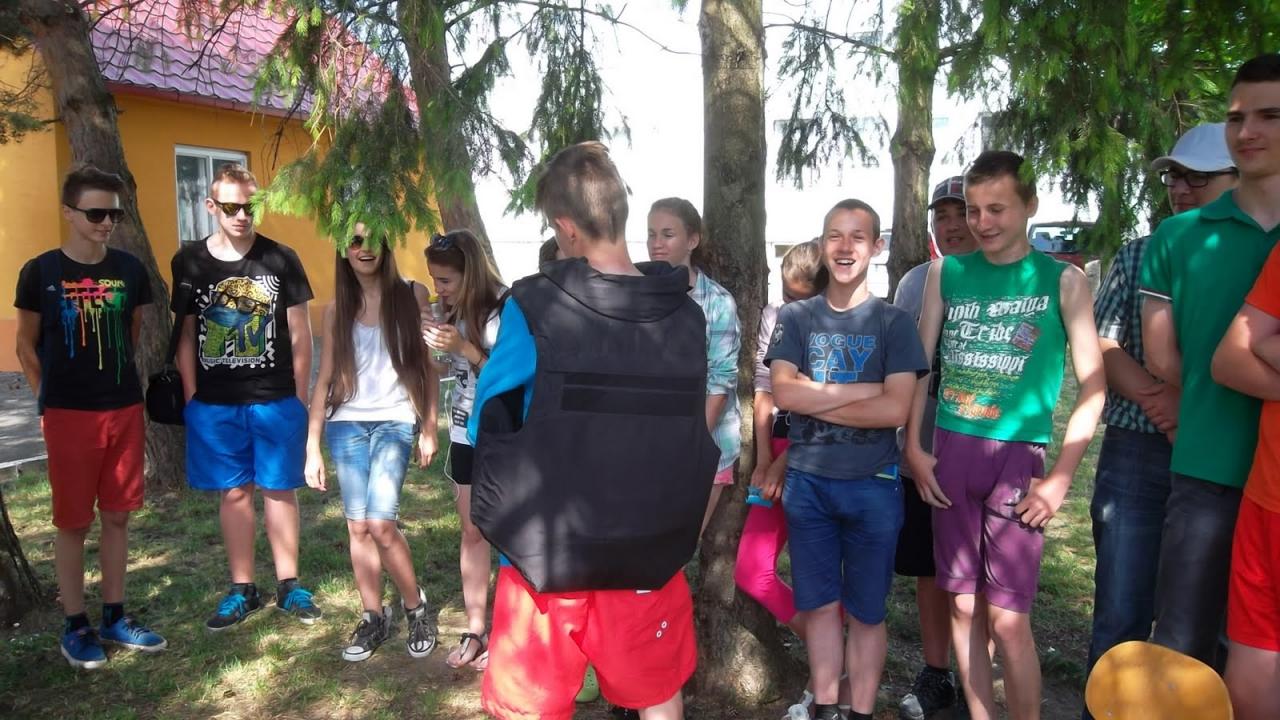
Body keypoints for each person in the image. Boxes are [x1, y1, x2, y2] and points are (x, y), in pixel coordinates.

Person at [468, 141, 717, 720]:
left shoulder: (535, 305)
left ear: (566, 227)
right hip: (648, 552)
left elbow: (488, 418)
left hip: (545, 555)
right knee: (658, 695)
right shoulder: (687, 315)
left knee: (529, 708)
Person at [905, 151, 1105, 720]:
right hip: (950, 455)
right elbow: (918, 366)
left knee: (1010, 620)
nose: (981, 222)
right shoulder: (946, 274)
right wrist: (913, 447)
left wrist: (1060, 478)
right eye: (973, 209)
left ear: (1029, 205)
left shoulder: (1063, 281)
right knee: (964, 607)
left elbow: (1094, 386)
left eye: (997, 208)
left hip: (1019, 464)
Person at [1083, 123, 1237, 697]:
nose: (1181, 188)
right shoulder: (1140, 252)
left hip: (1225, 454)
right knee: (1120, 612)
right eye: (1174, 176)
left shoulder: (1258, 255)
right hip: (1138, 449)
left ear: (1240, 178)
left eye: (1199, 178)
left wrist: (1188, 407)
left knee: (1211, 623)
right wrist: (1160, 397)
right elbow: (1103, 344)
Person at [1139, 54, 1280, 668]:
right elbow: (1163, 357)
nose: (1247, 131)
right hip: (1208, 466)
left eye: (1270, 115)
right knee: (1182, 652)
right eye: (1236, 117)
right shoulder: (1177, 236)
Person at [767, 199, 929, 720]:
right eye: (835, 235)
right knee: (818, 606)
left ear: (876, 247)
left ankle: (860, 711)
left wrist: (816, 393)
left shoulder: (893, 323)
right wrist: (862, 390)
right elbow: (784, 394)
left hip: (873, 484)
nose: (844, 247)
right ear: (822, 244)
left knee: (866, 612)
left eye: (858, 237)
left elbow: (896, 409)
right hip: (808, 482)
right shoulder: (797, 317)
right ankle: (825, 707)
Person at [14, 165, 166, 668]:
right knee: (74, 521)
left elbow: (133, 331)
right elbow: (25, 345)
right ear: (68, 212)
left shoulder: (130, 270)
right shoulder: (40, 272)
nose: (106, 223)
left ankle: (115, 616)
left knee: (118, 515)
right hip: (68, 414)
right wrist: (47, 400)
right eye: (96, 213)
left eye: (114, 215)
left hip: (122, 408)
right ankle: (76, 625)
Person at [171, 163, 321, 631]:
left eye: (250, 207)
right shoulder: (189, 261)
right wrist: (193, 398)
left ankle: (289, 585)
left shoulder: (281, 259)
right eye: (231, 207)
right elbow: (186, 334)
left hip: (275, 398)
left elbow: (301, 335)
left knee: (279, 489)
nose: (241, 216)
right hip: (215, 402)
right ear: (211, 206)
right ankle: (242, 589)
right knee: (234, 493)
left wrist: (298, 398)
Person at [304, 224, 441, 662]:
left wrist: (430, 427)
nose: (364, 249)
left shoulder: (412, 295)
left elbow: (430, 367)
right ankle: (373, 616)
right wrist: (312, 446)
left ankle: (416, 608)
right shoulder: (336, 309)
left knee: (381, 523)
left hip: (394, 421)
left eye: (373, 239)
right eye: (355, 241)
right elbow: (324, 379)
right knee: (358, 526)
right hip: (346, 424)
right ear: (343, 249)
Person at [734, 240, 837, 718]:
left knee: (821, 579)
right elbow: (763, 387)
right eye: (785, 294)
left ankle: (828, 679)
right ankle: (834, 648)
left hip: (821, 456)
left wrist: (782, 463)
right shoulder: (775, 315)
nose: (789, 306)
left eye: (800, 299)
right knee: (750, 570)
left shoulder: (840, 325)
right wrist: (762, 458)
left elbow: (830, 405)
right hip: (775, 450)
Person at [891, 176, 978, 720]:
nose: (951, 225)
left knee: (977, 574)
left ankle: (976, 678)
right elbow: (902, 368)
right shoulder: (915, 283)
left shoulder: (1005, 281)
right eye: (940, 216)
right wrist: (906, 443)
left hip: (984, 452)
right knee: (930, 568)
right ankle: (936, 671)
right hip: (922, 450)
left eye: (960, 213)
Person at [423, 228, 505, 669]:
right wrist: (429, 346)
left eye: (446, 280)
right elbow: (442, 370)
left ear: (470, 273)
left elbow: (509, 376)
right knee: (471, 530)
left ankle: (509, 632)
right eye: (434, 280)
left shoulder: (505, 307)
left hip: (502, 433)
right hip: (462, 432)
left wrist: (465, 348)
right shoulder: (448, 309)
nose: (439, 289)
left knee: (506, 532)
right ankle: (476, 628)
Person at [647, 198, 742, 532]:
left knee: (680, 540)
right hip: (649, 442)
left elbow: (721, 380)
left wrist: (690, 442)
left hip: (703, 441)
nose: (656, 243)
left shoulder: (717, 303)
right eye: (651, 234)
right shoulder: (639, 295)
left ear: (692, 240)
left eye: (667, 234)